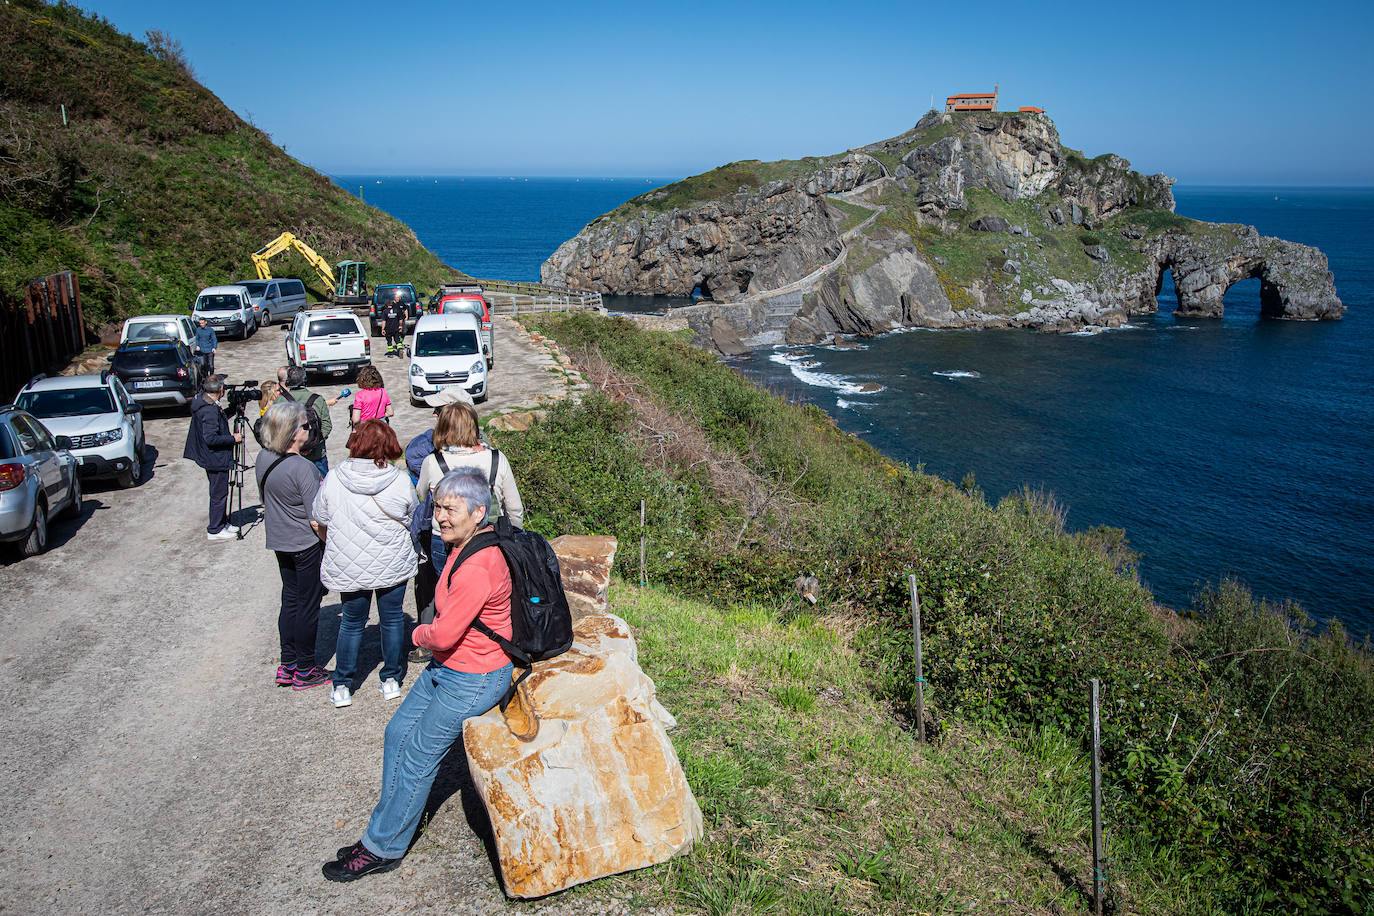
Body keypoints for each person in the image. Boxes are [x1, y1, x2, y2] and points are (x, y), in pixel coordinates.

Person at [323, 467, 512, 882]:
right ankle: (385, 825)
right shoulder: (464, 546)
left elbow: (441, 633)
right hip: (450, 667)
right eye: (437, 508)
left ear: (479, 512)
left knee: (417, 758)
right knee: (397, 734)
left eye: (451, 509)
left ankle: (381, 847)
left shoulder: (479, 563)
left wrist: (415, 633)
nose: (440, 517)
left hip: (475, 676)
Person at [312, 420, 418, 709]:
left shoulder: (334, 478)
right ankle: (391, 680)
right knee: (393, 619)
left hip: (350, 561)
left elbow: (319, 516)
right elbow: (411, 514)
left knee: (352, 622)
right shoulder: (398, 480)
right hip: (391, 559)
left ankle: (343, 685)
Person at [256, 400, 330, 690]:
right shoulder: (303, 468)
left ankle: (287, 664)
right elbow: (317, 519)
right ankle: (305, 667)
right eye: (305, 426)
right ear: (292, 431)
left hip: (280, 541)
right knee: (308, 605)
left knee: (290, 600)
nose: (309, 430)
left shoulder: (263, 457)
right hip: (305, 544)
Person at [402, 387, 475, 663]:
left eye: (439, 410)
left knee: (438, 586)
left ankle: (436, 641)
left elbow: (418, 478)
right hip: (464, 528)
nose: (433, 414)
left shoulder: (429, 451)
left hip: (434, 528)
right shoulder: (482, 449)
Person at [414, 401, 523, 581]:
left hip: (446, 539)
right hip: (490, 536)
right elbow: (515, 508)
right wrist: (514, 537)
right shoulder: (496, 458)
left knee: (449, 594)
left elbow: (421, 493)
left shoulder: (433, 462)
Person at [183, 374, 243, 540]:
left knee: (220, 492)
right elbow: (210, 438)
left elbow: (219, 419)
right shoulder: (208, 410)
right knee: (219, 494)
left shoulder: (206, 404)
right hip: (215, 459)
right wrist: (233, 439)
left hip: (213, 457)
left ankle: (222, 522)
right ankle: (215, 529)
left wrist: (233, 409)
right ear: (221, 389)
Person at [278, 365, 333, 478]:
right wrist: (312, 445)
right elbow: (327, 426)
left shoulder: (280, 401)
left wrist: (295, 446)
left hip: (290, 454)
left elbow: (276, 428)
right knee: (323, 489)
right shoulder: (317, 399)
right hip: (316, 454)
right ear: (305, 380)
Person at [381, 289, 407, 358]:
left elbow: (384, 321)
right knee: (397, 340)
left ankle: (390, 353)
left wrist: (383, 329)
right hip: (396, 328)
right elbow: (400, 319)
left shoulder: (385, 312)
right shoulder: (397, 310)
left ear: (386, 305)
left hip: (388, 329)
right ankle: (400, 349)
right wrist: (400, 326)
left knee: (389, 341)